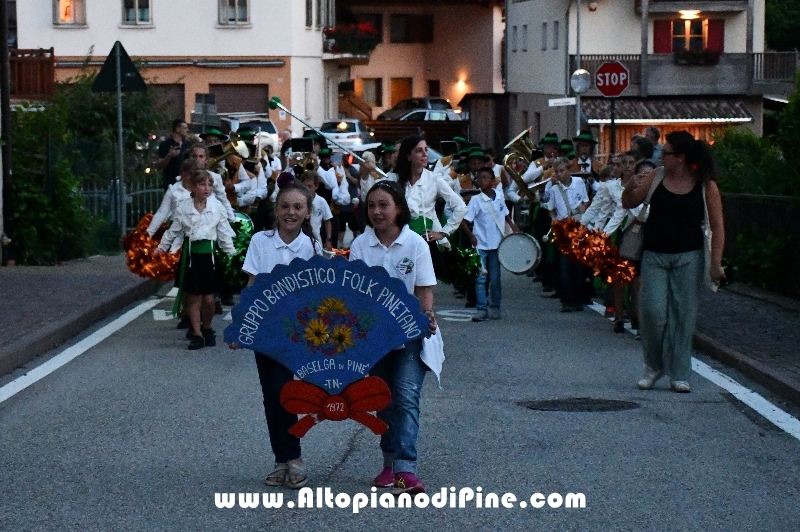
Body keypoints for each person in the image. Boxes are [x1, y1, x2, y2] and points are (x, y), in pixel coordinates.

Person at [349, 180, 437, 495]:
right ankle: (388, 462)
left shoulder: (416, 244)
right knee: (383, 400)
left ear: (398, 208)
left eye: (383, 205)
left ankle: (405, 469)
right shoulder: (361, 245)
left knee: (406, 396)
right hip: (376, 338)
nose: (377, 212)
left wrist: (426, 317)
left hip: (410, 334)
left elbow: (424, 291)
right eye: (371, 206)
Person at [622, 131, 725, 393]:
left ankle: (679, 373)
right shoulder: (657, 177)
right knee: (652, 312)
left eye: (666, 153)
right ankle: (653, 365)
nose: (661, 157)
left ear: (680, 157)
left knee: (683, 315)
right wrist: (630, 184)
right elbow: (630, 202)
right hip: (654, 254)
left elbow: (718, 226)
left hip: (689, 256)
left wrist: (715, 263)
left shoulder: (705, 185)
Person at [237, 182, 322, 488]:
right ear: (275, 210)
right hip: (264, 331)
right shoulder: (261, 241)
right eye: (285, 206)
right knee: (270, 395)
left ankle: (294, 457)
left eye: (298, 207)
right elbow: (251, 285)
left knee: (283, 391)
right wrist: (241, 327)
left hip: (295, 335)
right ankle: (281, 459)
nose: (291, 212)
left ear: (308, 213)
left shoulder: (310, 247)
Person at [156, 169, 236, 349]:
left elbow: (224, 234)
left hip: (209, 257)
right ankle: (197, 334)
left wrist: (232, 254)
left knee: (208, 299)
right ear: (193, 187)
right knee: (192, 297)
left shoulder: (217, 208)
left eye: (209, 185)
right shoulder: (184, 208)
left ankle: (207, 327)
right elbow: (173, 231)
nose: (206, 188)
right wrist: (161, 248)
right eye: (202, 184)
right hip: (192, 256)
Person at [393, 135, 467, 277]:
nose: (425, 154)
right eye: (419, 151)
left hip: (423, 241)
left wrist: (443, 232)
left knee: (423, 285)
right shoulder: (393, 179)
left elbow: (460, 207)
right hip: (398, 240)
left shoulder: (434, 179)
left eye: (426, 150)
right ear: (408, 156)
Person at [460, 167, 520, 322]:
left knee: (495, 278)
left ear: (493, 181)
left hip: (496, 244)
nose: (482, 180)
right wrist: (471, 236)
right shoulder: (475, 200)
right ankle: (482, 309)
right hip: (481, 245)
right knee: (481, 279)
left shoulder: (499, 196)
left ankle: (496, 306)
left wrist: (513, 226)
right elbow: (465, 221)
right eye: (480, 178)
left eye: (486, 177)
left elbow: (505, 214)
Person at [545, 157, 589, 312]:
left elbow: (585, 201)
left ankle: (577, 300)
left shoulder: (579, 183)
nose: (559, 174)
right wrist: (553, 220)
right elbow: (551, 209)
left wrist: (582, 210)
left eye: (562, 170)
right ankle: (566, 301)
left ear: (569, 170)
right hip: (563, 230)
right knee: (564, 267)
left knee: (577, 266)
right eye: (556, 172)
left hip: (577, 228)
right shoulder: (554, 189)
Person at [300, 170, 333, 249]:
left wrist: (328, 239)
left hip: (315, 238)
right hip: (300, 238)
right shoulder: (299, 201)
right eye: (305, 186)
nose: (307, 189)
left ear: (316, 186)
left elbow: (327, 221)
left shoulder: (321, 201)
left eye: (310, 186)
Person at [156, 119, 192, 191]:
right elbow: (159, 165)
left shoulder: (188, 144)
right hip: (171, 183)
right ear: (177, 129)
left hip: (186, 183)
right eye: (185, 128)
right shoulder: (165, 144)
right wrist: (169, 156)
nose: (187, 130)